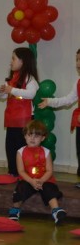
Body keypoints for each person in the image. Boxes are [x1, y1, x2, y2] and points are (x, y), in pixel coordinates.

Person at [8, 120, 67, 225]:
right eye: (30, 135)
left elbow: (49, 170)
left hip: (44, 179)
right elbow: (21, 171)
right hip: (27, 179)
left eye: (36, 136)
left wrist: (41, 181)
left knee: (50, 189)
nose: (32, 138)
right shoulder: (20, 152)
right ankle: (15, 209)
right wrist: (31, 181)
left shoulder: (46, 152)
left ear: (43, 138)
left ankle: (56, 211)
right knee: (20, 189)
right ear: (25, 136)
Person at [0, 47, 39, 176]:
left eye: (13, 58)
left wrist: (12, 90)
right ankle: (12, 171)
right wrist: (1, 91)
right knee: (11, 146)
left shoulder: (30, 78)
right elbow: (2, 96)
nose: (11, 62)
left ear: (23, 61)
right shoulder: (11, 79)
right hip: (11, 118)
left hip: (25, 119)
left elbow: (31, 94)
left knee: (23, 147)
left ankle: (24, 173)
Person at [39, 49, 80, 179]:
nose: (78, 63)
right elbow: (69, 99)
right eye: (77, 60)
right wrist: (50, 101)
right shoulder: (78, 81)